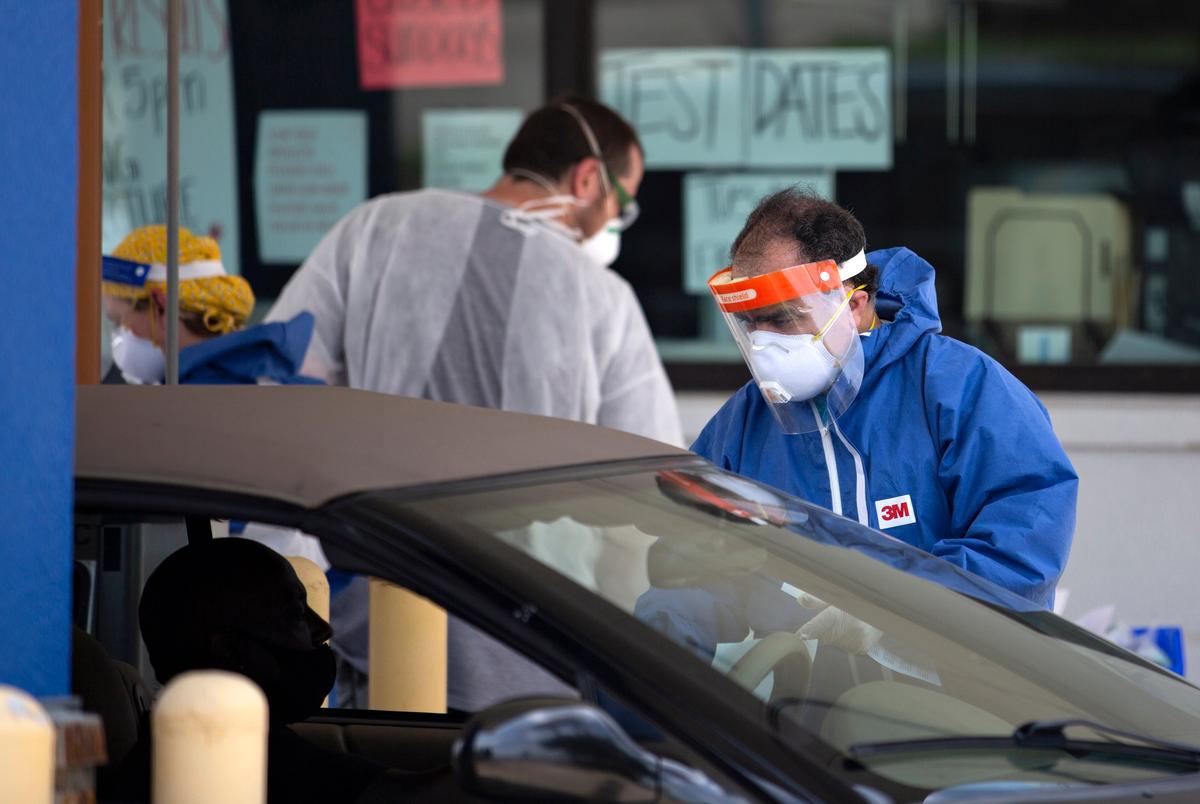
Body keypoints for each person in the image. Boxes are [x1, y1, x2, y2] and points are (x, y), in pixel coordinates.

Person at [266, 97, 683, 712]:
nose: (617, 224)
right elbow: (651, 492)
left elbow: (279, 385)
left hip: (374, 628)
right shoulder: (603, 297)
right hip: (534, 655)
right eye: (623, 204)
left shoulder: (375, 228)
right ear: (589, 179)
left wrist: (295, 577)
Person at [694, 188, 1077, 612]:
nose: (764, 342)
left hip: (948, 668)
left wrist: (895, 619)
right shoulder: (740, 427)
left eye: (783, 318)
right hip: (793, 674)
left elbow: (1021, 540)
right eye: (752, 323)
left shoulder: (955, 388)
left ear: (854, 305)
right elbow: (690, 562)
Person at [108, 538, 445, 803]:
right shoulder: (230, 752)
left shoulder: (190, 741)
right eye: (296, 614)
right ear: (228, 649)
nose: (323, 628)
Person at [101, 224, 322, 387]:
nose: (118, 336)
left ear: (160, 307)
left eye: (119, 321)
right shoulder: (294, 387)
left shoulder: (182, 409)